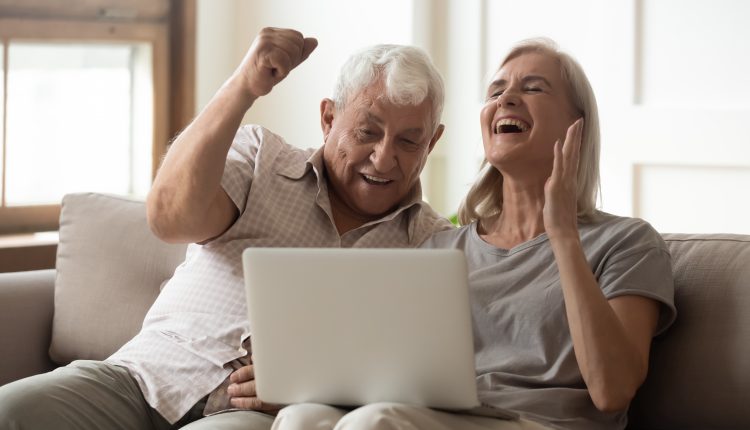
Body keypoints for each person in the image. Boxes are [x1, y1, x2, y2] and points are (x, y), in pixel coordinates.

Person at [0, 27, 452, 430]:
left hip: (253, 415)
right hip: (143, 377)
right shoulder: (261, 159)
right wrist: (243, 87)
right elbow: (170, 218)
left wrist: (323, 386)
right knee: (13, 409)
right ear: (329, 118)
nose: (383, 158)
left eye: (409, 141)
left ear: (431, 143)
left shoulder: (434, 245)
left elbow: (435, 377)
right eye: (367, 132)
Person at [268, 38, 676, 430]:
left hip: (544, 423)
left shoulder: (628, 243)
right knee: (302, 418)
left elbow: (613, 391)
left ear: (576, 126)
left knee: (377, 423)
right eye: (496, 90)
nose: (506, 99)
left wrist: (563, 235)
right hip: (440, 419)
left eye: (533, 88)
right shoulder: (437, 248)